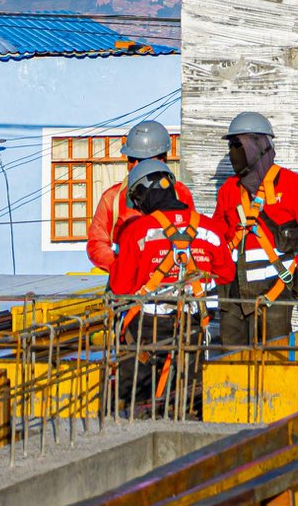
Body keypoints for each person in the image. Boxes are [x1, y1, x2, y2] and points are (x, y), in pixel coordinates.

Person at [107, 159, 232, 416]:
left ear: (143, 194)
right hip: (196, 330)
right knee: (193, 405)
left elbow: (120, 287)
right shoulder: (210, 229)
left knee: (134, 408)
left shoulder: (136, 231)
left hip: (146, 333)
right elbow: (226, 273)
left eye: (137, 199)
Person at [211, 111, 298, 347]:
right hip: (232, 295)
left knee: (275, 361)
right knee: (230, 362)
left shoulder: (295, 186)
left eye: (238, 145)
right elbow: (217, 236)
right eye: (231, 146)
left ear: (259, 145)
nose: (233, 152)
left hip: (274, 293)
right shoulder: (228, 191)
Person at [86, 119, 171, 272]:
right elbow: (96, 243)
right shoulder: (112, 198)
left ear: (162, 159)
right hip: (126, 284)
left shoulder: (180, 194)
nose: (133, 165)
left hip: (169, 282)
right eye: (131, 159)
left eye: (141, 160)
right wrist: (121, 267)